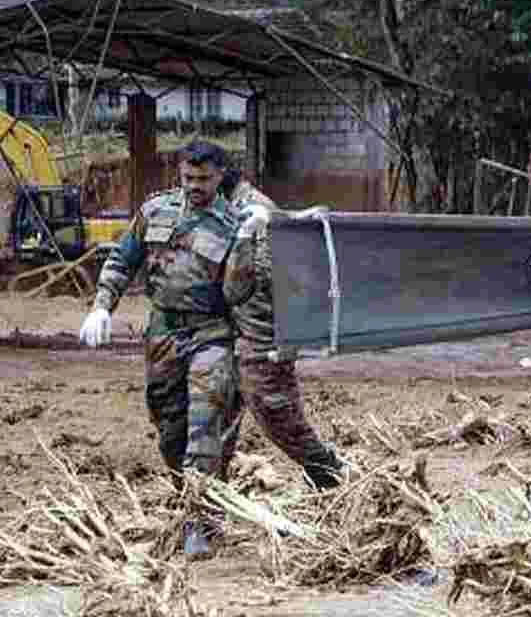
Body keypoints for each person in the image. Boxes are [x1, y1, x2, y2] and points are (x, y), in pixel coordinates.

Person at [78, 140, 242, 557]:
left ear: (220, 176)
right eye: (188, 177)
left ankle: (198, 521)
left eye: (203, 179)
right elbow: (122, 258)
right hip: (162, 335)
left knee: (204, 423)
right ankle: (196, 498)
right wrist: (101, 307)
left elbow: (256, 291)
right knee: (170, 429)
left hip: (213, 335)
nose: (194, 186)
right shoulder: (155, 211)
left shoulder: (236, 224)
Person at [219, 169, 344, 491]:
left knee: (278, 417)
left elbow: (262, 286)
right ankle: (209, 488)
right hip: (231, 336)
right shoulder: (230, 208)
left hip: (257, 340)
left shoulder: (254, 210)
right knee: (217, 420)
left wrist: (258, 346)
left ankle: (329, 475)